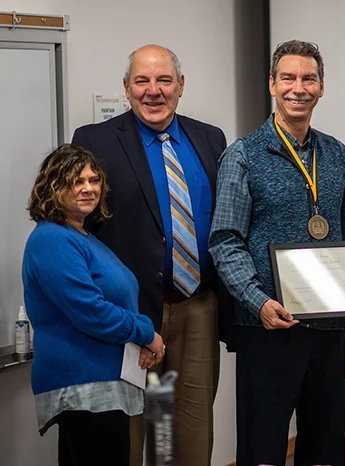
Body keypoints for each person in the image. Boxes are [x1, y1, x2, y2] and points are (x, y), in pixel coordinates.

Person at [208, 40, 345, 466]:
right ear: (272, 84)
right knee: (263, 448)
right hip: (269, 327)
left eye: (308, 79)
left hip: (328, 328)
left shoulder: (337, 154)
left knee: (323, 448)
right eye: (288, 78)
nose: (297, 88)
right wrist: (257, 301)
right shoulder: (242, 155)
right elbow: (225, 241)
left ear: (321, 88)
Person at [71, 44, 227, 466]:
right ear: (126, 88)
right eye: (142, 81)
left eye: (163, 80)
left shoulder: (211, 139)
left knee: (188, 436)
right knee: (132, 433)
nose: (153, 91)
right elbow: (79, 229)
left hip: (197, 308)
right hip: (131, 314)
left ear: (181, 86)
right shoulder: (94, 141)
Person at [22, 144, 165, 466]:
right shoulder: (52, 239)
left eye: (94, 180)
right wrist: (146, 332)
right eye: (76, 181)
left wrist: (137, 336)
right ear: (52, 188)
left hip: (101, 386)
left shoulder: (82, 236)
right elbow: (92, 311)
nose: (89, 188)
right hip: (83, 388)